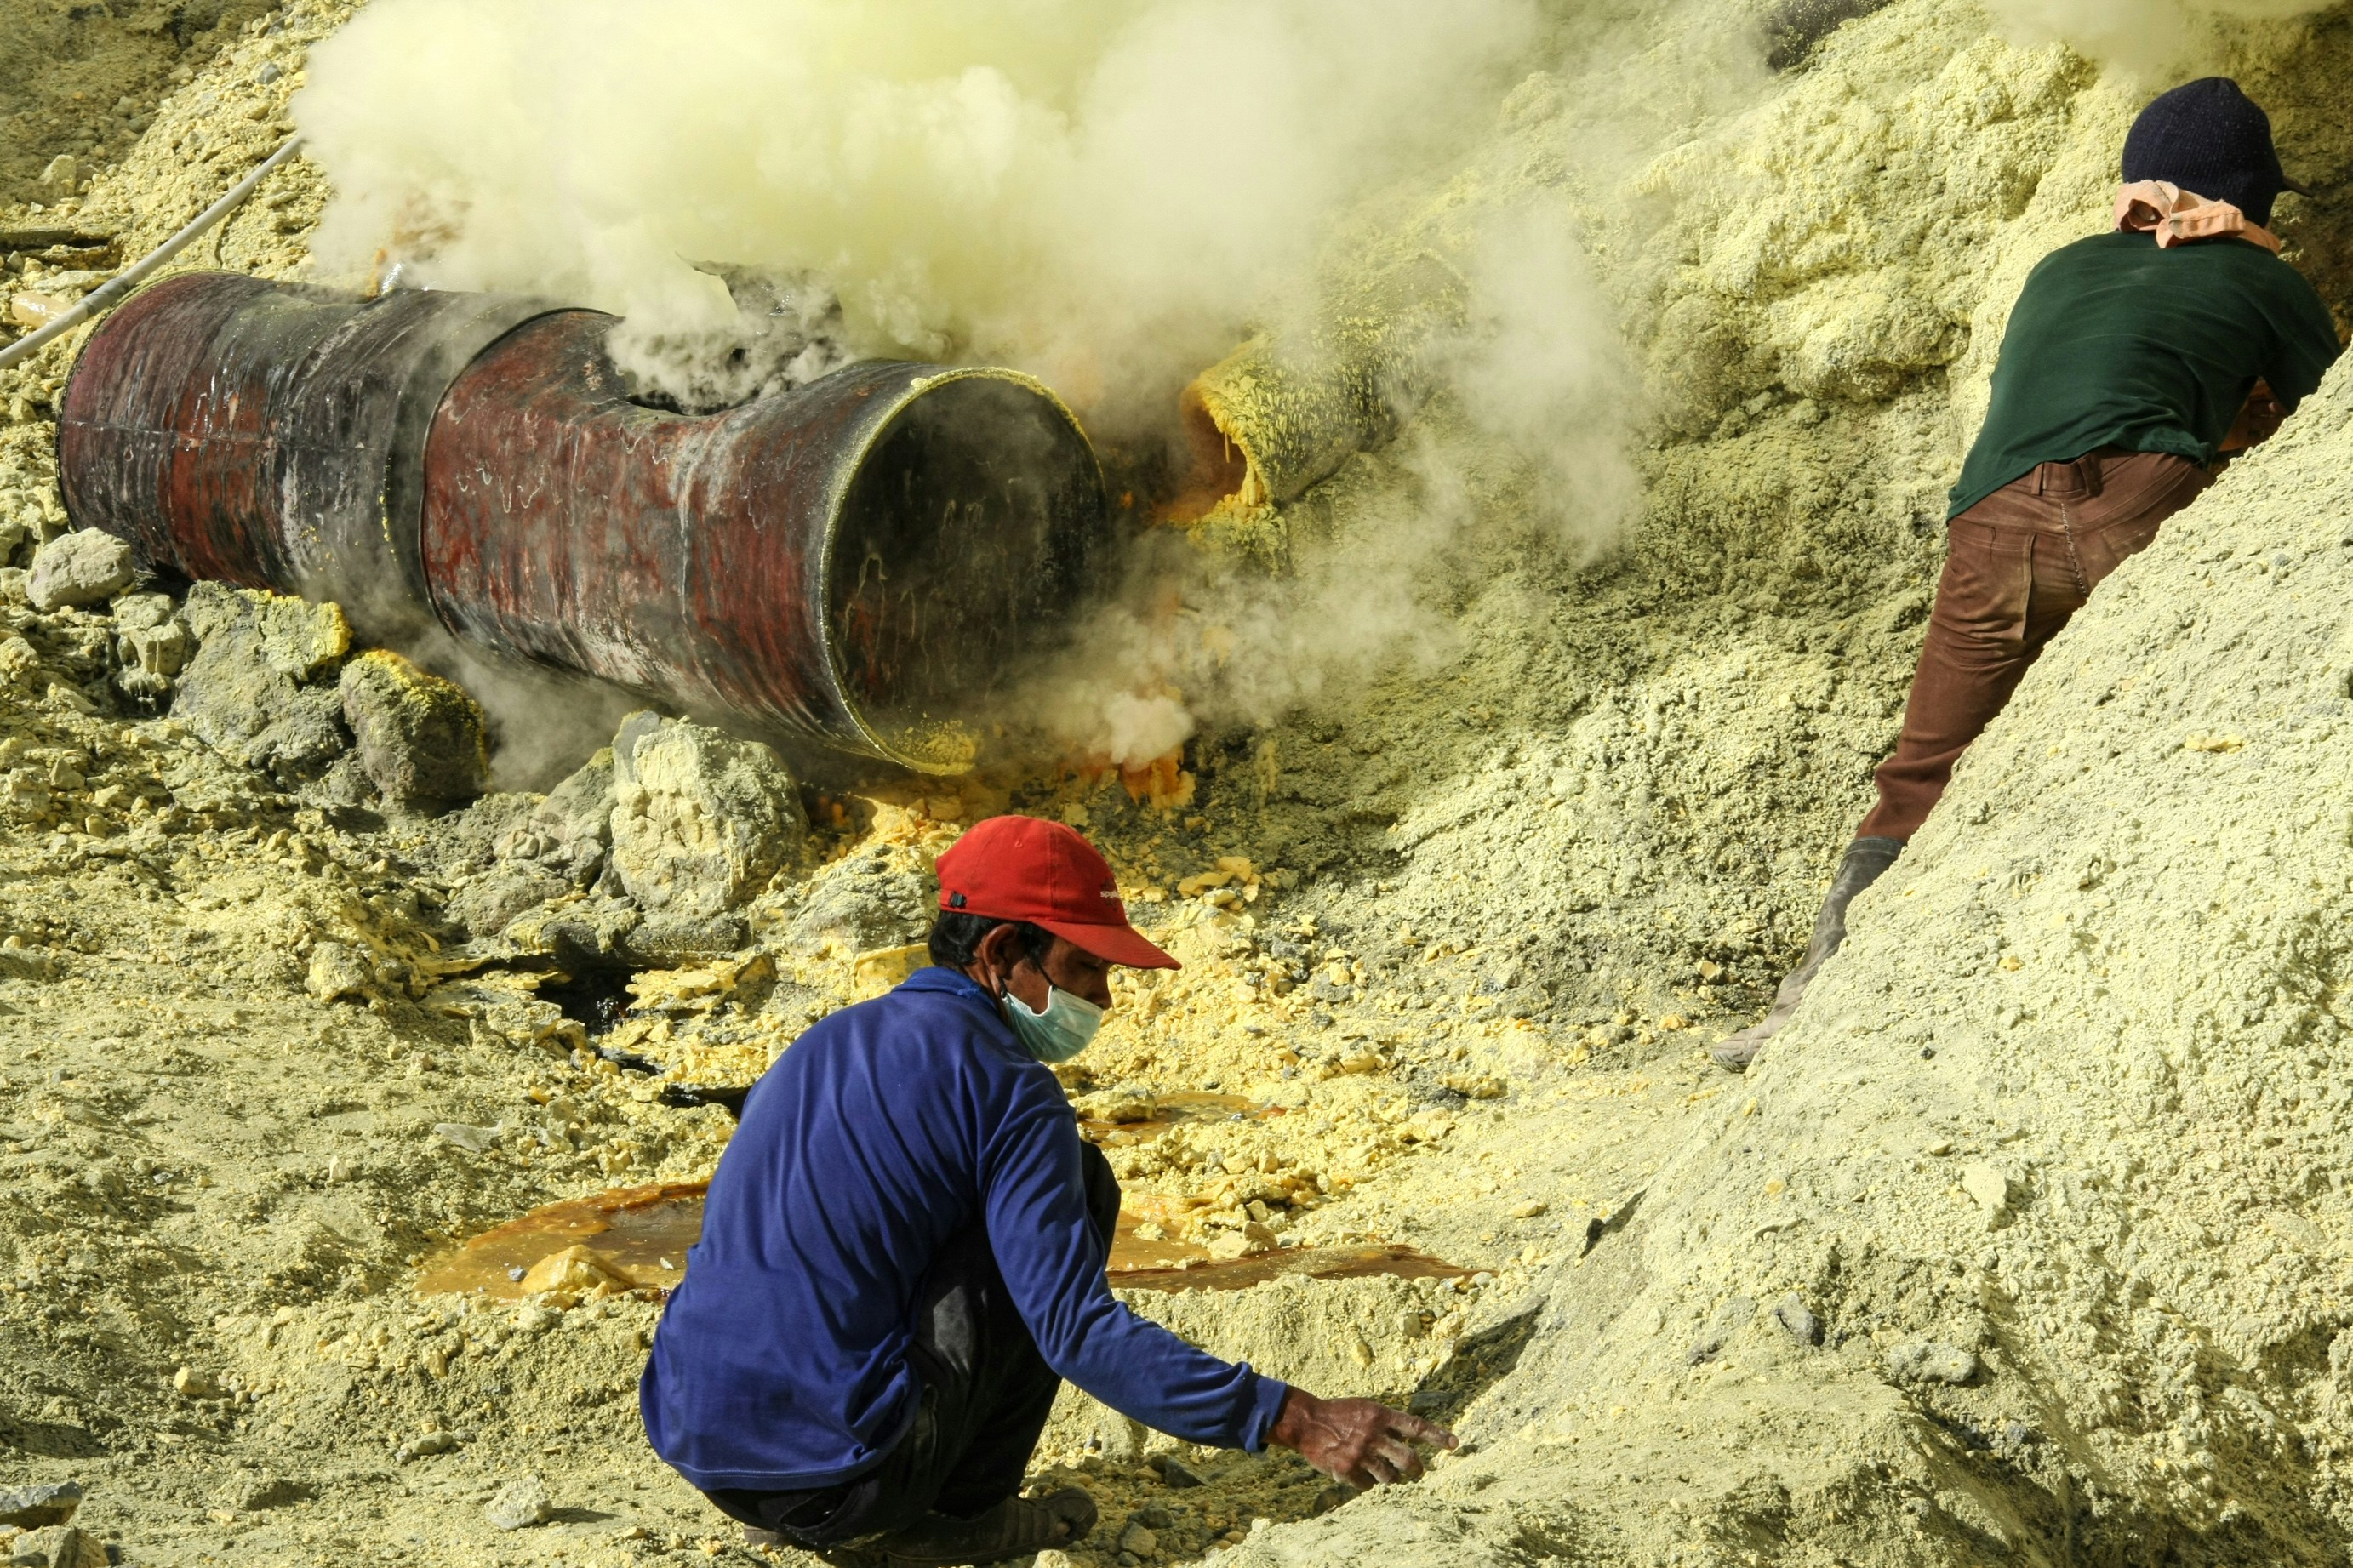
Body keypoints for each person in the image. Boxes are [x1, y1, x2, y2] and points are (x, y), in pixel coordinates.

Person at [1715, 77, 2343, 1073]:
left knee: (1921, 766)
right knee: (2158, 740)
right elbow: (2329, 421)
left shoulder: (2059, 267)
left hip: (1996, 514)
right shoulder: (2264, 283)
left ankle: (1804, 1011)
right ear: (2249, 198)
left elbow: (2078, 384)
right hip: (2139, 509)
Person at [642, 814, 1453, 1566]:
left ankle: (790, 1488)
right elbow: (1074, 1330)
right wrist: (1294, 1417)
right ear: (1000, 953)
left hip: (697, 1443)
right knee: (1082, 1183)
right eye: (1086, 967)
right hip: (846, 1477)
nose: (1103, 996)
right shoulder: (1007, 1083)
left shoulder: (821, 1041)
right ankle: (960, 1515)